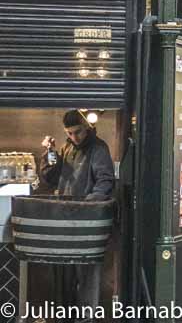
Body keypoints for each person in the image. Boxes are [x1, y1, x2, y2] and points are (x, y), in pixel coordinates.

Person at [39, 110, 115, 313]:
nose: (75, 137)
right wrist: (51, 151)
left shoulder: (98, 148)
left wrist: (87, 206)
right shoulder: (67, 148)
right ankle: (66, 315)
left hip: (86, 222)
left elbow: (105, 181)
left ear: (87, 128)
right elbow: (51, 176)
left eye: (78, 132)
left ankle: (85, 317)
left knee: (86, 276)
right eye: (70, 133)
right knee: (66, 276)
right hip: (67, 220)